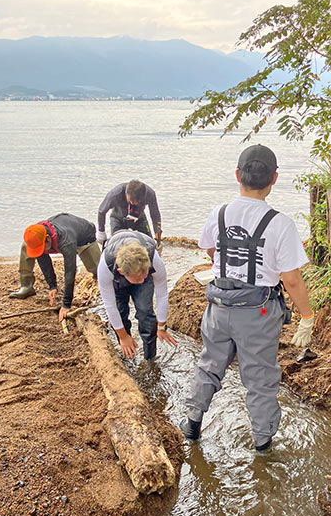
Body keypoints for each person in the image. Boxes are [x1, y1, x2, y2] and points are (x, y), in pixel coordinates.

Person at [180, 144, 315, 451]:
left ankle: (191, 425)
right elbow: (291, 279)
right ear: (275, 178)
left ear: (238, 175)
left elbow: (211, 250)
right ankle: (263, 446)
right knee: (260, 380)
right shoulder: (280, 223)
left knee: (209, 365)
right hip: (258, 314)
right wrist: (307, 317)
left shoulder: (220, 213)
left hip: (218, 307)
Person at [97, 229, 176, 360]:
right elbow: (110, 305)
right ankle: (128, 353)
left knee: (145, 312)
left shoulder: (154, 259)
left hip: (140, 264)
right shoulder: (105, 266)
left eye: (144, 276)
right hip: (118, 280)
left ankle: (150, 358)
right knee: (120, 311)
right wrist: (122, 336)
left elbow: (162, 295)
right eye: (137, 279)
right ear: (121, 272)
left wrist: (161, 327)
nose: (141, 281)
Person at [9, 213, 101, 322]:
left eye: (43, 248)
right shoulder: (38, 233)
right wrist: (52, 286)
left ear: (48, 239)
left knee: (98, 271)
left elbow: (70, 271)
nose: (42, 252)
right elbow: (42, 258)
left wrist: (66, 304)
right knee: (27, 246)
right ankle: (26, 286)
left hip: (84, 237)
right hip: (64, 231)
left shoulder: (66, 240)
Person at [96, 180, 162, 246]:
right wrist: (101, 231)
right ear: (127, 194)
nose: (134, 203)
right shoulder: (116, 194)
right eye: (131, 200)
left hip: (139, 219)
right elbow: (102, 211)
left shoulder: (150, 194)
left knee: (149, 244)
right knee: (116, 244)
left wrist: (157, 233)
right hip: (118, 219)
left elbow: (155, 215)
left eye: (138, 201)